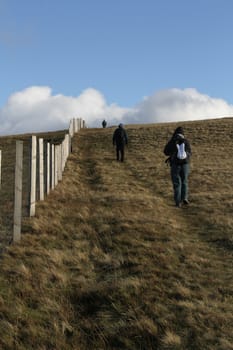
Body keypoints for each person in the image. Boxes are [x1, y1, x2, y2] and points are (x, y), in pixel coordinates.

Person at [164, 126, 191, 207]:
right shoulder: (186, 141)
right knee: (184, 181)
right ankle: (185, 198)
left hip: (175, 165)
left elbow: (165, 152)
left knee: (177, 183)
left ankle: (178, 202)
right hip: (185, 164)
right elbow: (190, 152)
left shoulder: (172, 141)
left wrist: (172, 154)